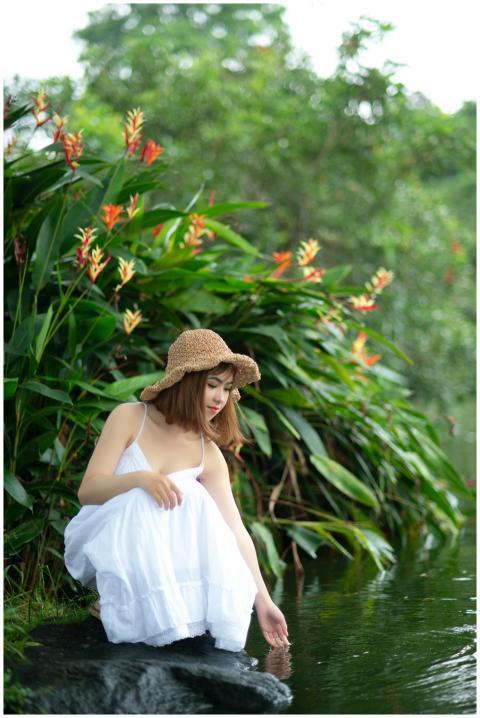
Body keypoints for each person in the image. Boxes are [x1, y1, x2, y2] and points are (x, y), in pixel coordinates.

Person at [64, 328, 290, 652]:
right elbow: (88, 491)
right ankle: (120, 602)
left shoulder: (206, 452)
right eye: (212, 385)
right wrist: (140, 479)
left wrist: (264, 602)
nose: (219, 398)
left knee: (195, 497)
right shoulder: (130, 418)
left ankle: (178, 612)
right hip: (105, 535)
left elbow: (235, 532)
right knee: (147, 497)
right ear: (185, 381)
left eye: (226, 389)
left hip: (168, 565)